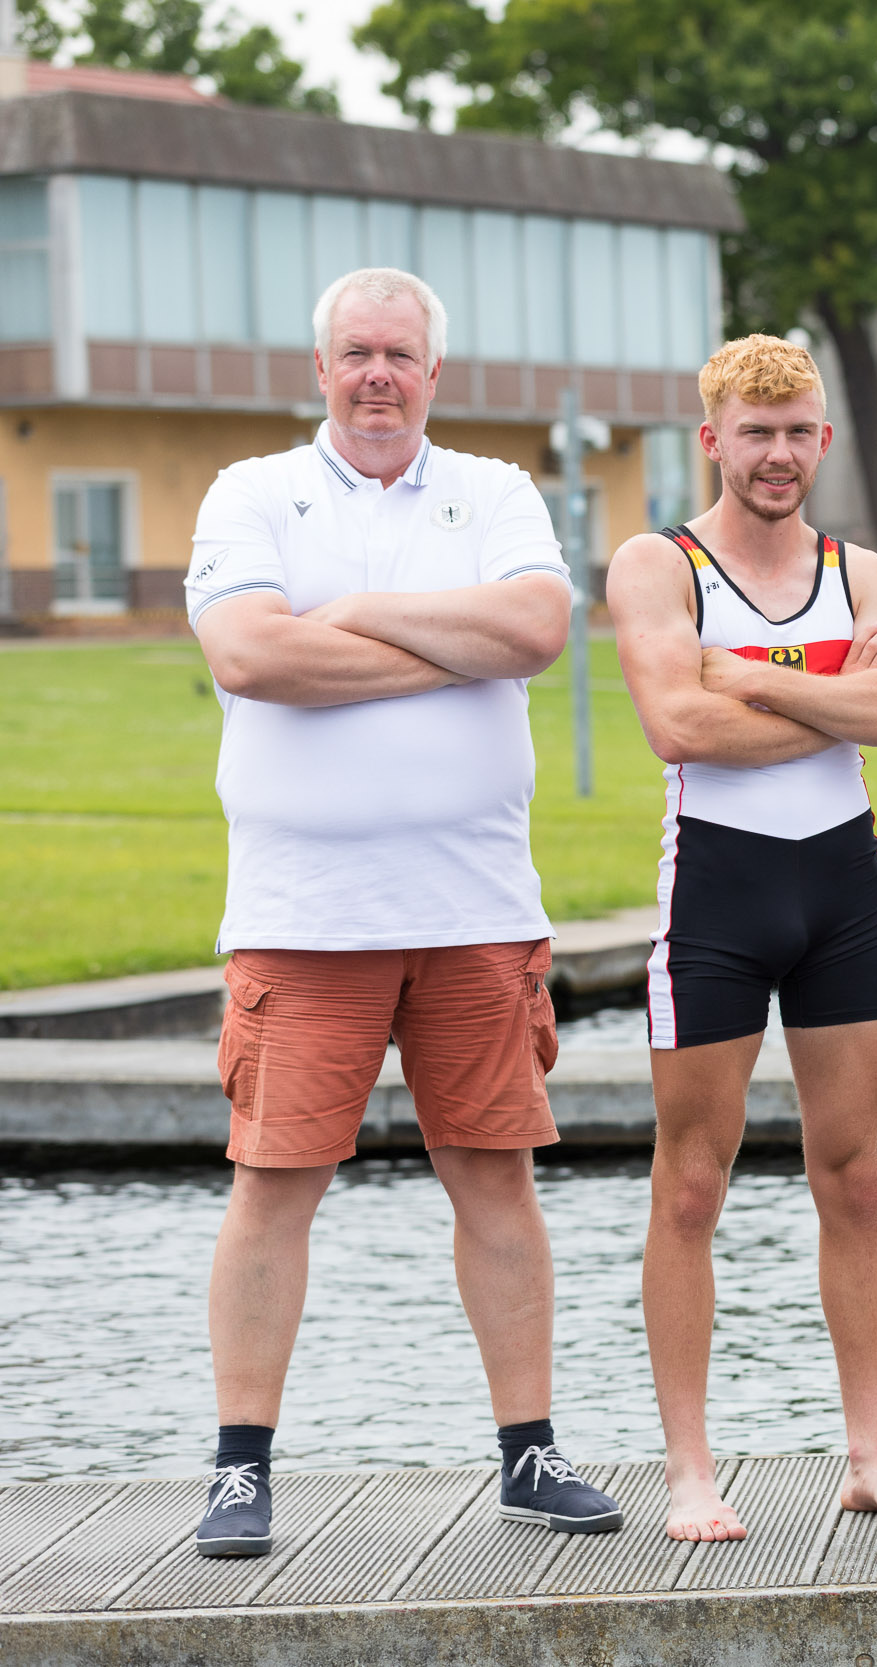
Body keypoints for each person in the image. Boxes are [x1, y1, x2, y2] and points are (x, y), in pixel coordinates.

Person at [183, 267, 620, 1557]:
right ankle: (238, 1470)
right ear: (319, 368)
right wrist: (442, 643)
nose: (380, 374)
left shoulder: (494, 490)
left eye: (402, 355)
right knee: (274, 1184)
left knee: (496, 1179)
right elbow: (252, 656)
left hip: (474, 909)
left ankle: (530, 1455)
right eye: (357, 352)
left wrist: (357, 619)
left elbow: (538, 627)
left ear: (437, 370)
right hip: (301, 915)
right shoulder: (253, 491)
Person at [607, 335, 877, 1539]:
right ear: (713, 439)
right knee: (692, 1184)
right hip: (717, 899)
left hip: (843, 897)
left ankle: (869, 1453)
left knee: (853, 1176)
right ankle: (691, 1468)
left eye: (799, 431)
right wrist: (832, 694)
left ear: (824, 439)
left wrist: (751, 676)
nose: (779, 453)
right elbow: (675, 724)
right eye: (756, 432)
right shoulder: (660, 564)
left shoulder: (860, 571)